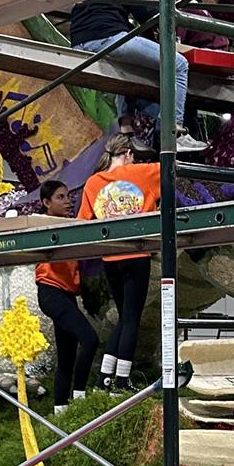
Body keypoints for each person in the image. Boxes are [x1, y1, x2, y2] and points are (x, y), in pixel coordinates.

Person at [68, 0, 196, 148]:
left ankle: (126, 129)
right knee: (178, 64)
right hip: (108, 36)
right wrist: (170, 18)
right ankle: (173, 130)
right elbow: (146, 12)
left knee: (128, 68)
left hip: (80, 42)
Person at [78, 134, 160, 390]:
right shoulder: (142, 172)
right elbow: (173, 169)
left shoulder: (93, 183)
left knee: (124, 318)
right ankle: (123, 380)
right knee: (132, 319)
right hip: (137, 255)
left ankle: (104, 377)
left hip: (110, 258)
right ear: (128, 155)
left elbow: (82, 222)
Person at [35, 178, 100, 412]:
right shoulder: (42, 225)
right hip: (51, 292)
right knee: (90, 339)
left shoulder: (72, 225)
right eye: (60, 197)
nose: (68, 201)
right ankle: (80, 397)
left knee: (66, 357)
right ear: (46, 203)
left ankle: (60, 410)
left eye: (68, 196)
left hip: (67, 294)